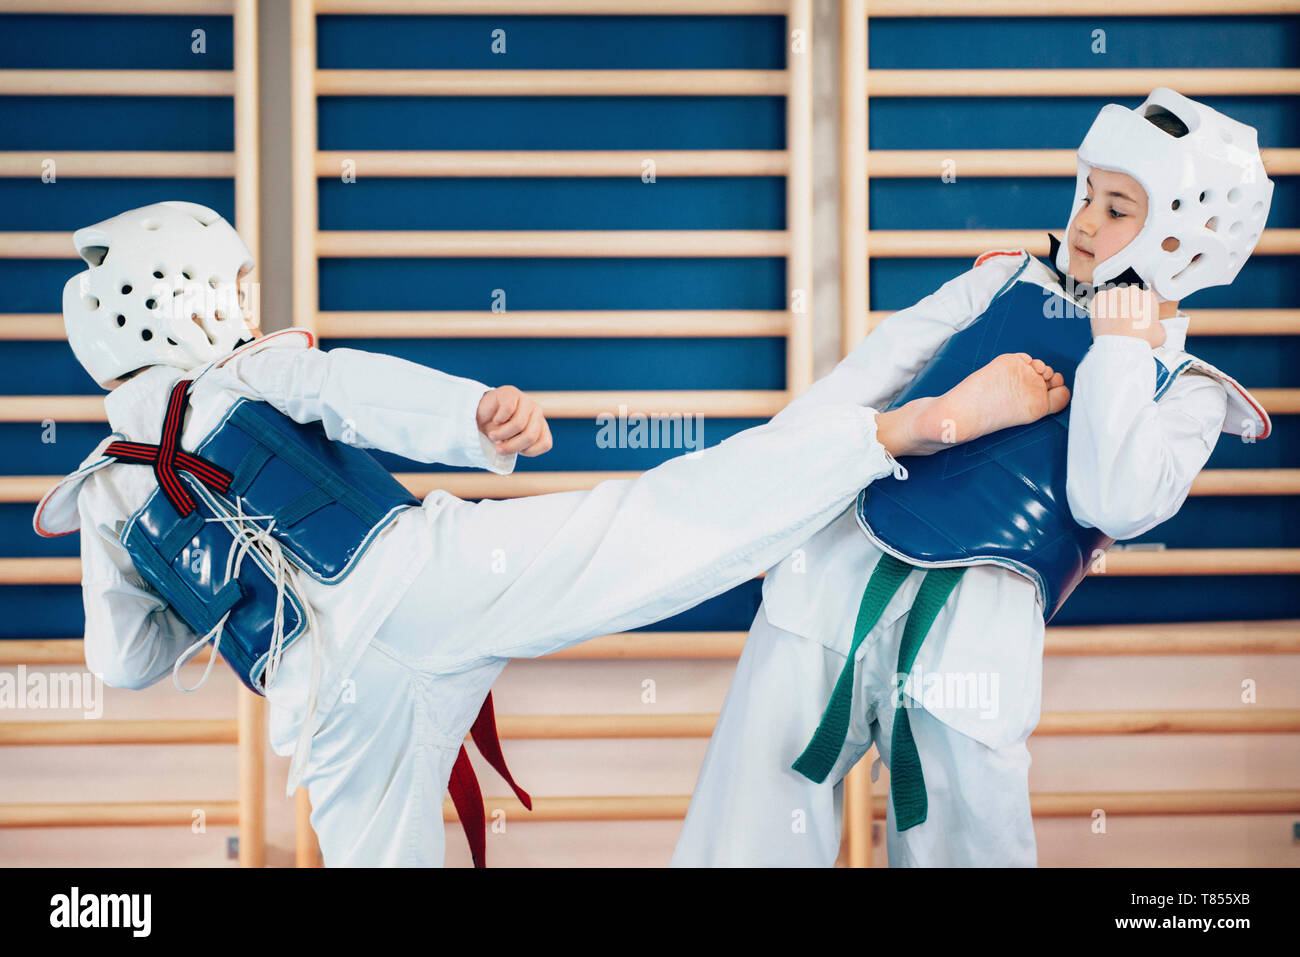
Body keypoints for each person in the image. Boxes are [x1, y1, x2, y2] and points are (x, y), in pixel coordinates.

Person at [34, 200, 1069, 867]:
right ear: (191, 300)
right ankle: (897, 430)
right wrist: (476, 417)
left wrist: (197, 592)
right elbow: (352, 389)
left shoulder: (102, 493)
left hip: (326, 711)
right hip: (421, 580)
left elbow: (124, 663)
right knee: (656, 524)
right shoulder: (248, 370)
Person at [671, 88, 1274, 867]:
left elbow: (1112, 502)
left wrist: (1122, 345)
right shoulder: (999, 282)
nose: (1087, 221)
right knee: (745, 830)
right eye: (1087, 192)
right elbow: (851, 390)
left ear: (1183, 239)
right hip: (835, 577)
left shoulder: (1188, 389)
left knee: (969, 848)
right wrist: (753, 507)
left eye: (1119, 207)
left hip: (977, 639)